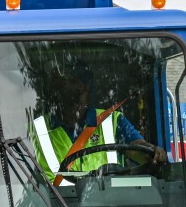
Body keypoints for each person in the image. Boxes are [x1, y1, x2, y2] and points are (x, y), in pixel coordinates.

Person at [29, 72, 167, 186]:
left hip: (111, 206)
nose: (73, 99)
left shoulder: (113, 120)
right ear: (56, 94)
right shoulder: (35, 129)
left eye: (78, 92)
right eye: (67, 93)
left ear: (87, 93)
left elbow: (136, 148)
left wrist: (152, 151)